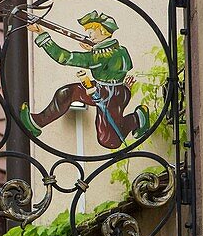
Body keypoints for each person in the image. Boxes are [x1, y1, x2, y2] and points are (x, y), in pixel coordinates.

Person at [20, 10, 150, 150]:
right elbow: (124, 65)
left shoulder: (99, 56)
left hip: (109, 96)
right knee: (67, 93)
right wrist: (95, 50)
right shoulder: (120, 49)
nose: (89, 35)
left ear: (103, 31)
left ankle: (137, 118)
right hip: (108, 90)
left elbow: (65, 57)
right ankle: (37, 122)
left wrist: (42, 34)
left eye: (92, 31)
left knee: (109, 141)